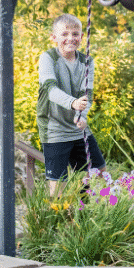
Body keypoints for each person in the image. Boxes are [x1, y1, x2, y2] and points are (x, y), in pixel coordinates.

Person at [37, 13, 106, 194]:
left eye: (75, 34)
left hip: (78, 129)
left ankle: (87, 212)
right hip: (55, 129)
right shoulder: (48, 58)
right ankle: (57, 219)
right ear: (54, 37)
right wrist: (73, 103)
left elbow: (87, 95)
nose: (70, 38)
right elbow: (50, 90)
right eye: (64, 34)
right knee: (59, 184)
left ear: (82, 37)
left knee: (98, 173)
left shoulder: (87, 61)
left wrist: (82, 116)